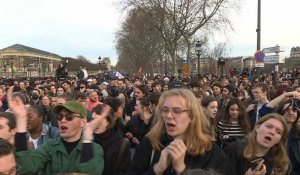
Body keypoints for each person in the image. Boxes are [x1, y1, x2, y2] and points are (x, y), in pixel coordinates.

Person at [8, 86, 108, 175]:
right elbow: (25, 168)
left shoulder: (95, 148)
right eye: (59, 117)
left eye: (69, 117)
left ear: (82, 122)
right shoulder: (50, 146)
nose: (62, 120)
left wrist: (86, 140)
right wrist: (21, 120)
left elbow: (90, 172)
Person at [128, 88, 227, 175]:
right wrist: (157, 169)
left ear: (192, 116)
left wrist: (182, 170)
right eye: (165, 110)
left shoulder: (211, 151)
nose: (169, 116)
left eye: (177, 111)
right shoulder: (150, 143)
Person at [224, 113, 290, 175]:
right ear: (257, 127)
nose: (272, 132)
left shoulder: (281, 162)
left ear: (280, 139)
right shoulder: (233, 150)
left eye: (278, 132)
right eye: (268, 127)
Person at [92, 100, 131, 175]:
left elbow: (124, 170)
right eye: (93, 119)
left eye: (99, 120)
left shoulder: (121, 144)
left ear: (109, 121)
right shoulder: (86, 139)